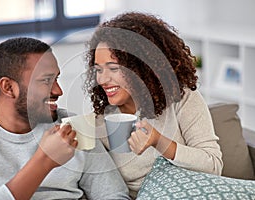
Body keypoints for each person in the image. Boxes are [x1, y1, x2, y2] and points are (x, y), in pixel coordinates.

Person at [0, 37, 130, 200]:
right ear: (8, 87)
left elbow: (113, 195)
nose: (58, 91)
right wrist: (44, 161)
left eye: (56, 79)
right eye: (46, 81)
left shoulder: (73, 126)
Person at [84, 12, 223, 199]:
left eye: (114, 68)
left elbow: (213, 165)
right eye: (98, 70)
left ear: (142, 67)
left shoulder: (181, 98)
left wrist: (159, 141)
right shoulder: (100, 120)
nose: (102, 79)